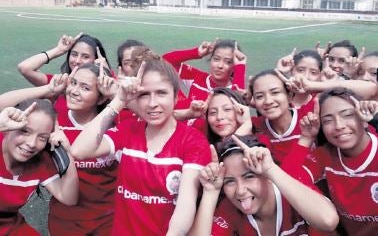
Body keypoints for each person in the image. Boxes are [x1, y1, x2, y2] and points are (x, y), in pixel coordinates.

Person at [70, 59, 211, 235]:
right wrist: (119, 100)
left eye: (161, 93)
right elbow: (79, 150)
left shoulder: (193, 141)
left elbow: (186, 204)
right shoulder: (127, 131)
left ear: (175, 97)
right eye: (144, 94)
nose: (153, 103)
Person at [0, 63, 119, 235]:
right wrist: (48, 88)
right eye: (73, 83)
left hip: (105, 218)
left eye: (85, 87)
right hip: (66, 221)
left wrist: (117, 97)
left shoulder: (116, 127)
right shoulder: (53, 124)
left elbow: (69, 196)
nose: (32, 143)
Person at [189, 135, 339, 235]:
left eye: (249, 176)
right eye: (229, 181)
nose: (240, 191)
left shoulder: (292, 187)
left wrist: (271, 169)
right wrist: (210, 192)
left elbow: (328, 221)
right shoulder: (229, 208)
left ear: (266, 176)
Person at [287, 88, 378, 235]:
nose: (339, 125)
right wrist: (306, 138)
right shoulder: (326, 155)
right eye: (328, 120)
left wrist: (376, 118)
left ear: (365, 118)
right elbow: (288, 183)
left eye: (348, 115)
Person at [0, 99, 78, 235]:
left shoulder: (41, 161)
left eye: (42, 138)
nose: (32, 143)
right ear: (8, 128)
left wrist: (67, 152)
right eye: (24, 131)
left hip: (10, 226)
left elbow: (68, 198)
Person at [163, 39, 246, 106]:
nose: (220, 65)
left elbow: (239, 103)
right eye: (216, 59)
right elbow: (165, 62)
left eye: (228, 62)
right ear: (211, 59)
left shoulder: (235, 89)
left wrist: (240, 68)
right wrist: (196, 52)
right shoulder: (198, 78)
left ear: (234, 65)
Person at [18, 33, 111, 87]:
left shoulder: (106, 86)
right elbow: (25, 68)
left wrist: (106, 73)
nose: (77, 61)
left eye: (85, 57)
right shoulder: (59, 84)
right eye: (74, 54)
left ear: (97, 60)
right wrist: (59, 50)